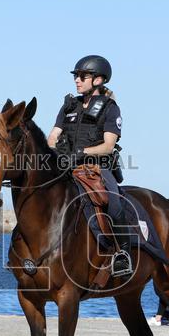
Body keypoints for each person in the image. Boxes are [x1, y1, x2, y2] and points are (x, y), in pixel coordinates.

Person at [47, 55, 135, 277]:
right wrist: (58, 152)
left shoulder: (110, 108)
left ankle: (122, 254)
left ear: (98, 80)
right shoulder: (69, 106)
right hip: (66, 166)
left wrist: (82, 152)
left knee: (115, 202)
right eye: (76, 76)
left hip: (97, 168)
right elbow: (52, 137)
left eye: (82, 76)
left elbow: (108, 145)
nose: (77, 80)